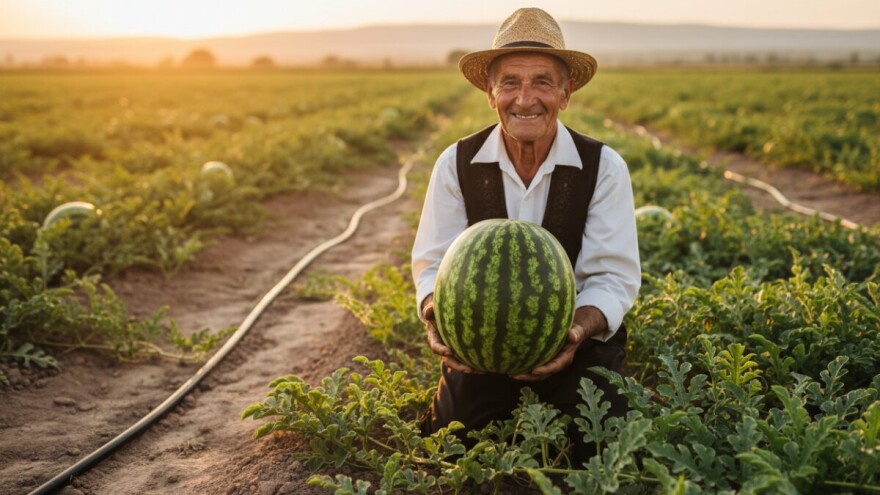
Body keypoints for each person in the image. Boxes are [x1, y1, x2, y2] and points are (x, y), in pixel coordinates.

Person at [411, 8, 640, 462]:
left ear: (566, 92)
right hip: (479, 349)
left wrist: (573, 334)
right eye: (510, 82)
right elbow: (434, 263)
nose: (525, 98)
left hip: (575, 345)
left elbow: (612, 278)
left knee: (602, 445)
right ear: (490, 93)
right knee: (451, 445)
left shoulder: (603, 167)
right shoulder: (456, 164)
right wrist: (436, 314)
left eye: (542, 82)